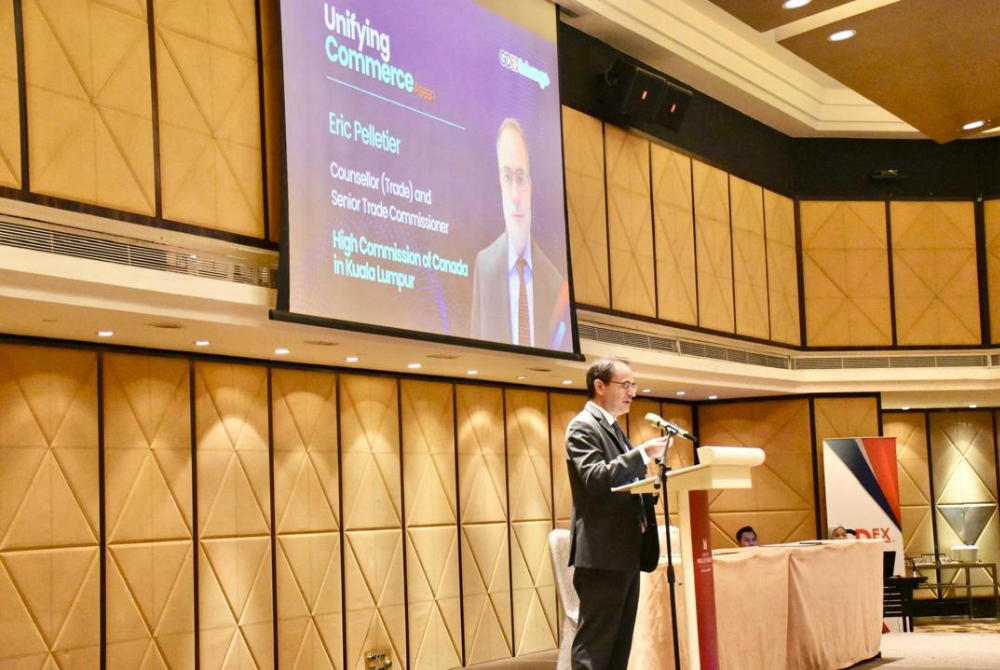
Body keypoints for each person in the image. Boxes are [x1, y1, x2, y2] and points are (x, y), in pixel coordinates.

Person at [565, 357, 671, 670]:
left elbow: (621, 480)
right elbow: (594, 477)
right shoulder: (582, 427)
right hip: (601, 555)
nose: (632, 392)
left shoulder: (612, 428)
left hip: (624, 552)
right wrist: (642, 454)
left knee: (618, 647)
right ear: (599, 386)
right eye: (625, 385)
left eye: (633, 385)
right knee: (595, 649)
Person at [470, 118, 571, 349]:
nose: (515, 195)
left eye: (520, 177)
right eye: (507, 178)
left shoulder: (555, 282)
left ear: (530, 186)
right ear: (500, 184)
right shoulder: (483, 265)